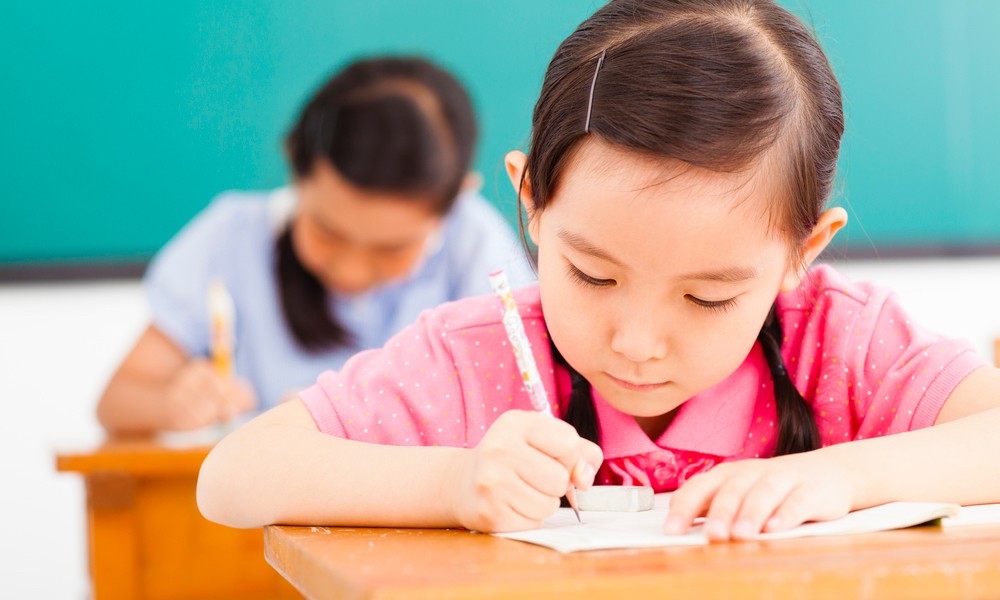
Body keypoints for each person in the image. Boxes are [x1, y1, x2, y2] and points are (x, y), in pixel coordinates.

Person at [195, 0, 1000, 540]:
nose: (638, 342)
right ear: (531, 201)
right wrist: (453, 485)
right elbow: (234, 477)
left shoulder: (844, 340)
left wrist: (847, 477)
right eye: (593, 275)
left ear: (803, 251)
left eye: (709, 295)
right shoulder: (476, 355)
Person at [97, 56, 533, 434]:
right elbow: (116, 401)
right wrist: (173, 404)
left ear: (456, 199)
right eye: (327, 233)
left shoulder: (477, 247)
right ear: (294, 166)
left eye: (390, 250)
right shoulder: (230, 237)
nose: (351, 271)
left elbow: (523, 404)